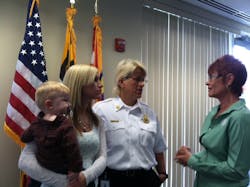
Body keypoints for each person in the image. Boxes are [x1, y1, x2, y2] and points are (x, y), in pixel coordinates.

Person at [18, 64, 107, 187]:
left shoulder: (97, 120)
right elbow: (25, 162)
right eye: (95, 80)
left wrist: (85, 178)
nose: (100, 84)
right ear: (79, 84)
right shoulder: (53, 117)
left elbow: (102, 156)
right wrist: (65, 183)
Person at [175, 54, 250, 187]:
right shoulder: (214, 112)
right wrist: (189, 157)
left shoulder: (241, 117)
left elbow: (236, 170)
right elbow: (214, 155)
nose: (207, 82)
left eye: (212, 77)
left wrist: (192, 161)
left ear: (229, 80)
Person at [93, 58, 168, 187]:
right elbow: (93, 148)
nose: (142, 84)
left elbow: (158, 148)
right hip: (114, 179)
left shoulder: (149, 113)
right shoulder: (102, 110)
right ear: (122, 82)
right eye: (137, 79)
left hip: (145, 179)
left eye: (143, 80)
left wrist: (162, 173)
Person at [20, 81, 83, 186]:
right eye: (65, 100)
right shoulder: (65, 124)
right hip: (55, 172)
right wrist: (75, 170)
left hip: (53, 172)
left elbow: (24, 138)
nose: (69, 104)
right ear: (49, 105)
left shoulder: (37, 123)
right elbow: (73, 149)